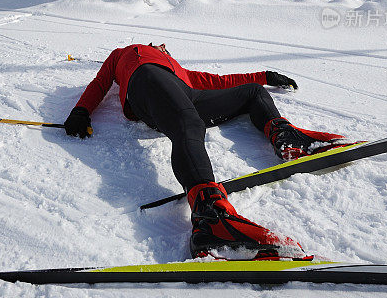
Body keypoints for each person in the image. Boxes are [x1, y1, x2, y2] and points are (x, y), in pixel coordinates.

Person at [65, 43, 344, 259]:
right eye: (160, 46)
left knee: (251, 93)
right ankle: (210, 218)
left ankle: (286, 138)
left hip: (180, 91)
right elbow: (101, 83)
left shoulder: (181, 71)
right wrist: (81, 110)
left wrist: (264, 76)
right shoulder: (129, 53)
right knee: (188, 123)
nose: (163, 47)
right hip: (145, 81)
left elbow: (220, 81)